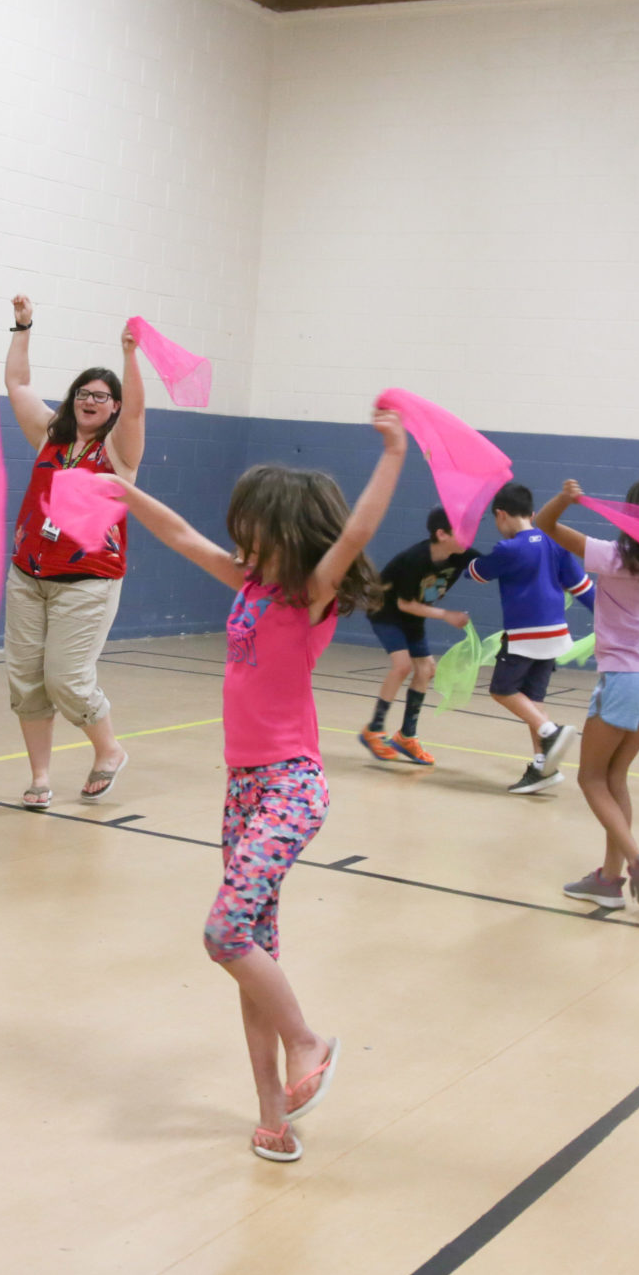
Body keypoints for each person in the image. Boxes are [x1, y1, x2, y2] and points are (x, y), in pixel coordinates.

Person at [111, 409, 406, 1163]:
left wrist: (395, 452)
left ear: (288, 532)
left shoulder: (309, 595)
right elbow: (179, 534)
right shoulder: (247, 583)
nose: (241, 541)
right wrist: (118, 489)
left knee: (224, 933)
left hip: (290, 787)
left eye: (253, 529)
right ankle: (273, 1113)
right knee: (254, 950)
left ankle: (309, 1041)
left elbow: (358, 533)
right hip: (242, 789)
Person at [2, 294, 146, 809]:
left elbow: (137, 411)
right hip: (27, 574)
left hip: (88, 581)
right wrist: (23, 327)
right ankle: (40, 776)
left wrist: (129, 356)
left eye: (103, 396)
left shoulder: (118, 453)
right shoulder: (49, 437)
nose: (91, 400)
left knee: (66, 677)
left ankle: (108, 751)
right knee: (26, 680)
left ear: (115, 407)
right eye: (83, 392)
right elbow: (17, 384)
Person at [534, 477, 639, 909]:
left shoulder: (614, 556)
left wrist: (564, 498)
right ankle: (609, 880)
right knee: (615, 777)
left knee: (590, 778)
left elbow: (543, 523)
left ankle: (637, 863)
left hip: (624, 681)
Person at [465, 482, 592, 794]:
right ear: (534, 514)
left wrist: (463, 557)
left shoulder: (508, 549)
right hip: (555, 636)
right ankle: (542, 767)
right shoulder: (554, 543)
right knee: (533, 702)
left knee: (502, 690)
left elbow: (476, 572)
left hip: (525, 637)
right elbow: (582, 588)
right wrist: (611, 616)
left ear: (501, 515)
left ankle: (551, 731)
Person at [358, 505, 477, 766]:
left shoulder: (461, 554)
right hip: (386, 611)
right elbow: (404, 604)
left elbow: (490, 566)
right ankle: (374, 729)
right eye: (462, 531)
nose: (469, 536)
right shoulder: (416, 559)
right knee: (402, 666)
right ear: (442, 535)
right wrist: (447, 615)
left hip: (413, 616)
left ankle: (406, 737)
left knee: (425, 670)